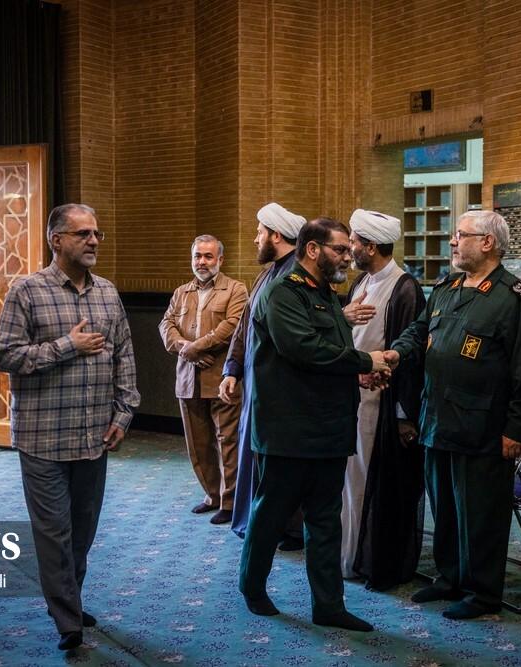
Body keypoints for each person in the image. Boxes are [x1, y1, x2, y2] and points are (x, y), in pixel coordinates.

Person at [0, 204, 140, 651]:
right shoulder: (27, 291)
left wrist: (123, 414)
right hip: (43, 438)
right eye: (83, 234)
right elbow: (5, 355)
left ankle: (69, 599)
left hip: (94, 436)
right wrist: (66, 346)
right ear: (56, 240)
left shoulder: (107, 293)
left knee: (82, 530)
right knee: (54, 533)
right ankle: (67, 620)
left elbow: (124, 355)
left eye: (97, 233)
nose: (94, 241)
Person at [384, 210, 521, 619]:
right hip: (437, 417)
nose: (453, 242)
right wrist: (396, 353)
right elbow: (419, 331)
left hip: (483, 426)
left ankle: (482, 593)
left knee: (480, 514)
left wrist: (515, 429)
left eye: (461, 235)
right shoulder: (447, 287)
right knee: (445, 507)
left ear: (487, 242)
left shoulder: (515, 298)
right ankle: (449, 577)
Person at [237, 217, 390, 632]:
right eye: (340, 249)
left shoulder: (326, 296)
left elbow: (328, 356)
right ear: (312, 250)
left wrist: (358, 375)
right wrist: (367, 361)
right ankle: (252, 587)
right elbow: (304, 350)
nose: (348, 257)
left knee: (325, 521)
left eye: (348, 250)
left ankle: (329, 605)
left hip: (329, 429)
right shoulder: (282, 294)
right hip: (288, 432)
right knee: (270, 516)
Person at [339, 209, 426, 589]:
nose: (350, 249)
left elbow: (410, 358)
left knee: (376, 485)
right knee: (351, 482)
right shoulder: (361, 282)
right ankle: (351, 556)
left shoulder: (404, 288)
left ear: (371, 246)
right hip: (353, 398)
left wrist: (404, 415)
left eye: (354, 242)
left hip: (383, 406)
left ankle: (375, 561)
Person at [219, 203, 307, 546]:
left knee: (281, 460)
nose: (256, 239)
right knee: (253, 453)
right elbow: (244, 327)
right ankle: (258, 523)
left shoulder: (298, 278)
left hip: (281, 390)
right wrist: (232, 369)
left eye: (260, 233)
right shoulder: (266, 275)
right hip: (256, 387)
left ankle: (287, 528)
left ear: (276, 235)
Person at [159, 235, 248, 525]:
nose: (202, 262)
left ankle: (230, 501)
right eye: (197, 256)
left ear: (220, 259)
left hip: (222, 379)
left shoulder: (235, 289)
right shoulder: (181, 292)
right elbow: (166, 325)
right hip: (188, 378)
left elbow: (233, 326)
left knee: (228, 443)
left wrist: (196, 347)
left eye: (208, 256)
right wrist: (188, 350)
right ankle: (212, 495)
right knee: (198, 444)